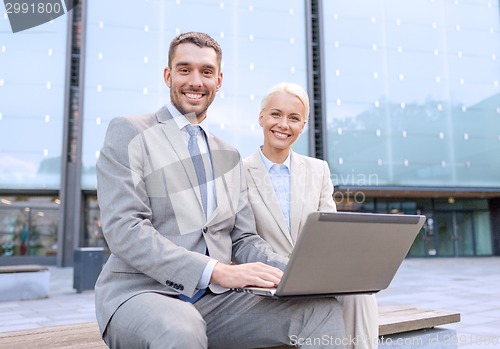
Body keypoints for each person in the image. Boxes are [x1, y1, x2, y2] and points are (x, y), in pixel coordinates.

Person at [95, 32, 347, 349]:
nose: (195, 81)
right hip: (141, 293)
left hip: (216, 304)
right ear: (167, 75)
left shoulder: (228, 156)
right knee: (181, 329)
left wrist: (302, 272)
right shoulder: (130, 132)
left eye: (206, 72)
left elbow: (242, 238)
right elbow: (125, 229)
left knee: (320, 311)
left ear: (219, 80)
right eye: (185, 70)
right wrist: (216, 271)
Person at [243, 82, 379, 349]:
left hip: (315, 277)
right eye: (276, 114)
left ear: (302, 126)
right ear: (261, 117)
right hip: (267, 282)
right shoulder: (238, 171)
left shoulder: (319, 170)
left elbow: (330, 234)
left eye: (294, 118)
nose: (283, 124)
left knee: (360, 292)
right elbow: (240, 239)